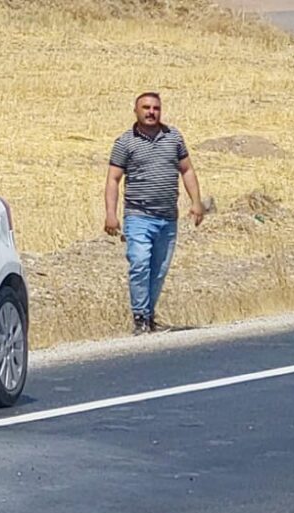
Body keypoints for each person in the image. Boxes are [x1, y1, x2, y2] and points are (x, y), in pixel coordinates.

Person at [104, 92, 204, 335]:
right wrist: (111, 214)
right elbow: (113, 179)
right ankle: (140, 317)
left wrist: (196, 202)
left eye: (156, 108)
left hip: (168, 217)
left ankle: (149, 315)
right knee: (139, 264)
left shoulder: (174, 137)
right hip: (138, 215)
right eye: (146, 107)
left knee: (158, 270)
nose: (151, 112)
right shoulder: (125, 143)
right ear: (136, 111)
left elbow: (187, 169)